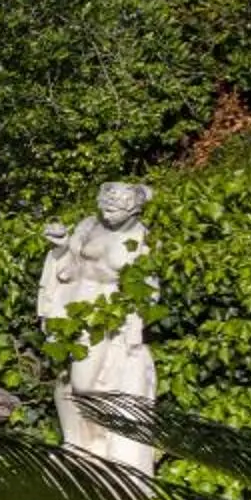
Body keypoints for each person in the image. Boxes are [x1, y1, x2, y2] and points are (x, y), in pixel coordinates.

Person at [38, 181, 156, 474]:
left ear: (134, 209)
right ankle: (75, 442)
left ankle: (100, 443)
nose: (107, 212)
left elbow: (149, 289)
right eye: (104, 206)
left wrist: (131, 318)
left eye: (114, 208)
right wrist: (62, 244)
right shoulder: (90, 224)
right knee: (65, 375)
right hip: (70, 302)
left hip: (103, 313)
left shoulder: (143, 239)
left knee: (85, 383)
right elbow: (71, 262)